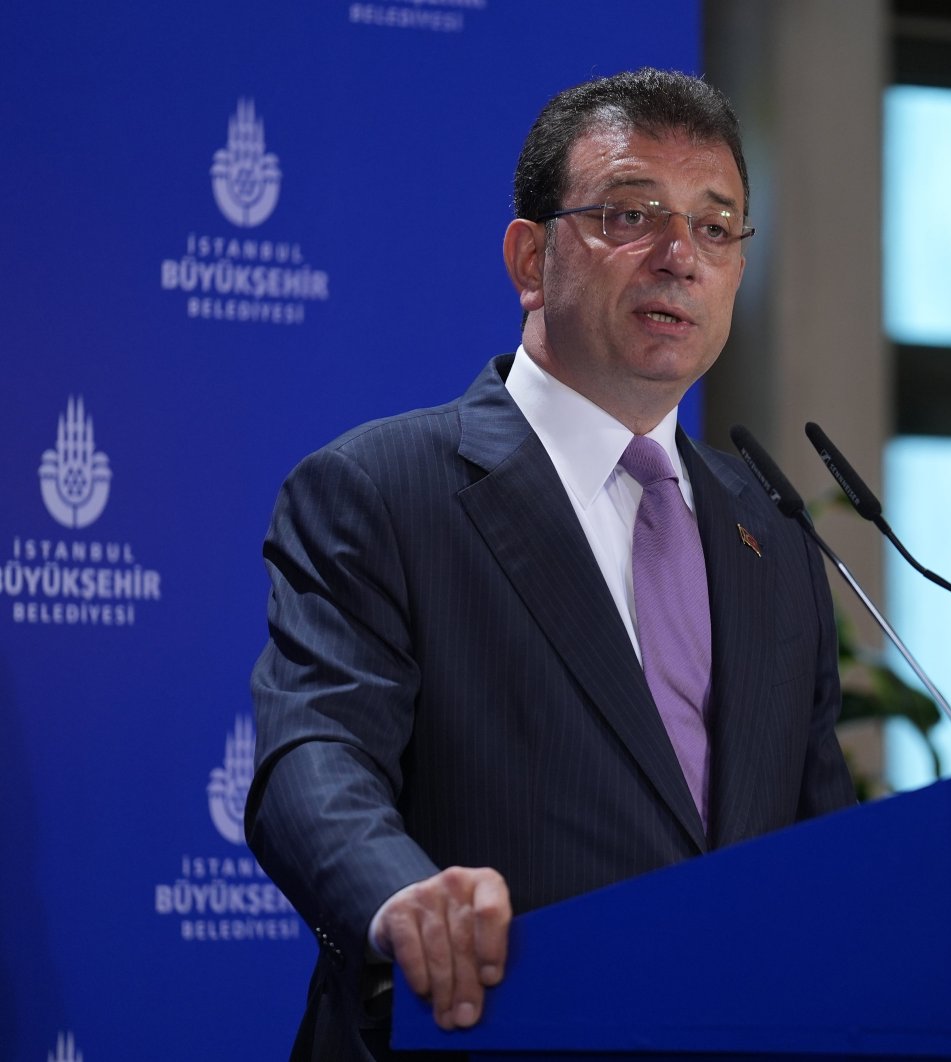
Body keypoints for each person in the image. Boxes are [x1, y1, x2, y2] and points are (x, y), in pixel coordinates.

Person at [246, 68, 856, 1062]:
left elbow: (817, 849)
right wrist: (402, 895)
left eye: (716, 226)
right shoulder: (382, 490)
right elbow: (315, 756)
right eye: (631, 215)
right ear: (531, 259)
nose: (678, 257)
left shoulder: (771, 531)